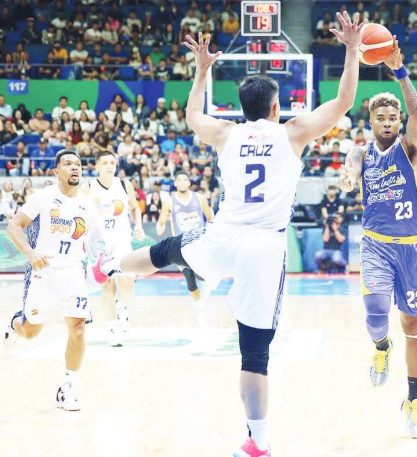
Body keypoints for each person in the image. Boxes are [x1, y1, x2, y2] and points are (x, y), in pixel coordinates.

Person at [93, 16, 363, 457]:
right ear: (276, 109)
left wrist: (202, 69)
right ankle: (257, 439)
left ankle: (108, 267)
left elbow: (192, 115)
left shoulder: (225, 133)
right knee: (254, 353)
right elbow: (344, 100)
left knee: (165, 252)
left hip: (224, 232)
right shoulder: (294, 133)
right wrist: (351, 49)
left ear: (241, 108)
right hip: (263, 246)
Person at [338, 37, 417, 439]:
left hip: (412, 249)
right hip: (375, 243)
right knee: (376, 316)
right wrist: (346, 175)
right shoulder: (362, 153)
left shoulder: (410, 150)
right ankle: (380, 349)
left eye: (393, 116)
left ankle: (414, 399)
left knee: (413, 324)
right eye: (381, 117)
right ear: (371, 122)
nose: (389, 121)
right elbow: (350, 167)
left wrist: (400, 71)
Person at [4, 150, 105, 411]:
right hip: (42, 272)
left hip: (73, 272)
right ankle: (16, 322)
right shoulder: (43, 197)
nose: (75, 168)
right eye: (68, 164)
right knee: (30, 332)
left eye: (78, 164)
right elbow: (14, 226)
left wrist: (104, 264)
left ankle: (69, 387)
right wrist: (30, 253)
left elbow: (95, 240)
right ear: (56, 171)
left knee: (79, 327)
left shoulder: (87, 205)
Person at [83, 151, 145, 347]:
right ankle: (112, 329)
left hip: (121, 240)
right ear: (97, 166)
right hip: (99, 244)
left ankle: (123, 308)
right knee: (107, 286)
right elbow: (79, 213)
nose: (110, 166)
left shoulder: (125, 185)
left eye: (112, 162)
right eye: (105, 163)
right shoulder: (89, 188)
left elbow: (135, 208)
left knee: (127, 281)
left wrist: (139, 225)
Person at [156, 171, 214, 301]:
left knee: (202, 275)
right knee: (190, 281)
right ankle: (199, 307)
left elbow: (210, 217)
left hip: (199, 243)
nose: (182, 182)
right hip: (180, 245)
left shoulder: (199, 198)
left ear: (188, 182)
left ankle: (204, 294)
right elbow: (161, 222)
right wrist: (160, 228)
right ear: (175, 183)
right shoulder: (169, 201)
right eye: (179, 180)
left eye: (185, 180)